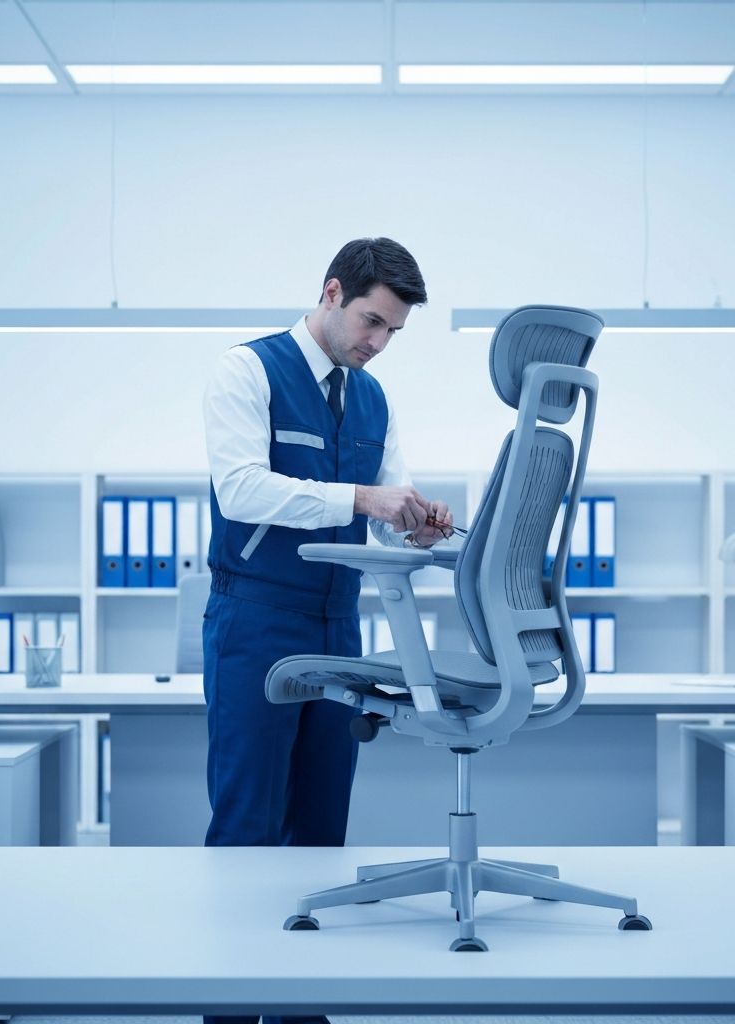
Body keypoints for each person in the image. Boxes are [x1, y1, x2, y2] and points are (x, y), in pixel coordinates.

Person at [201, 237, 452, 1024]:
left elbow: (382, 509)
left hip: (338, 625)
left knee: (320, 833)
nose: (378, 343)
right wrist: (364, 499)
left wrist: (411, 522)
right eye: (372, 321)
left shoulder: (373, 400)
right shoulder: (248, 370)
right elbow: (241, 490)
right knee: (247, 826)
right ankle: (230, 1012)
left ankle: (302, 1009)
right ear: (333, 291)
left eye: (393, 332)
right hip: (257, 618)